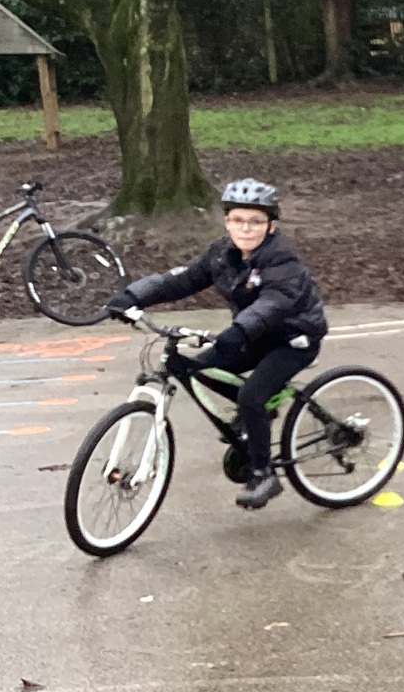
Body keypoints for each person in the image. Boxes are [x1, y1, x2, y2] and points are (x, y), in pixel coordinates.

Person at [104, 178, 328, 511]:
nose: (246, 228)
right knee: (199, 369)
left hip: (292, 339)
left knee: (251, 395)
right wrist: (133, 295)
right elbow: (182, 279)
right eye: (238, 220)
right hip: (251, 334)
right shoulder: (222, 253)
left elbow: (274, 303)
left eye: (256, 221)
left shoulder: (282, 261)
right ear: (227, 222)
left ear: (271, 225)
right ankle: (258, 414)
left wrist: (239, 330)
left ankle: (263, 474)